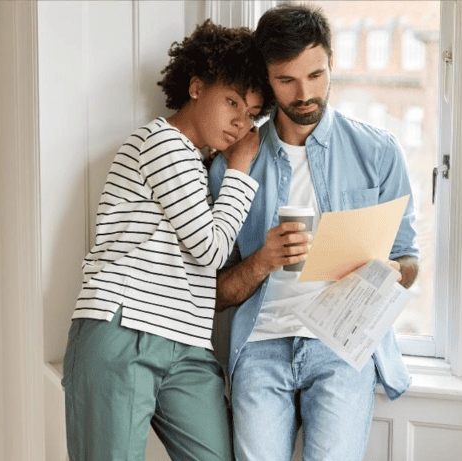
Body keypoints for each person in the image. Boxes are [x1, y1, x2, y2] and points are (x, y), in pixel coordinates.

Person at [207, 3, 420, 460]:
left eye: (317, 75)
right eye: (287, 80)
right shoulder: (233, 164)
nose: (305, 93)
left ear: (330, 65)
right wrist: (263, 260)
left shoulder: (378, 152)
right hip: (261, 347)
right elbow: (215, 292)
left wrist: (387, 273)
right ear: (266, 79)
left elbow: (409, 259)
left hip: (342, 347)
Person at [62, 20, 273, 461]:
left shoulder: (196, 167)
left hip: (187, 343)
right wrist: (241, 167)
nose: (240, 123)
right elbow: (210, 249)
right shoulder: (161, 142)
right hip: (123, 330)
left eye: (252, 114)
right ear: (196, 86)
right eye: (232, 101)